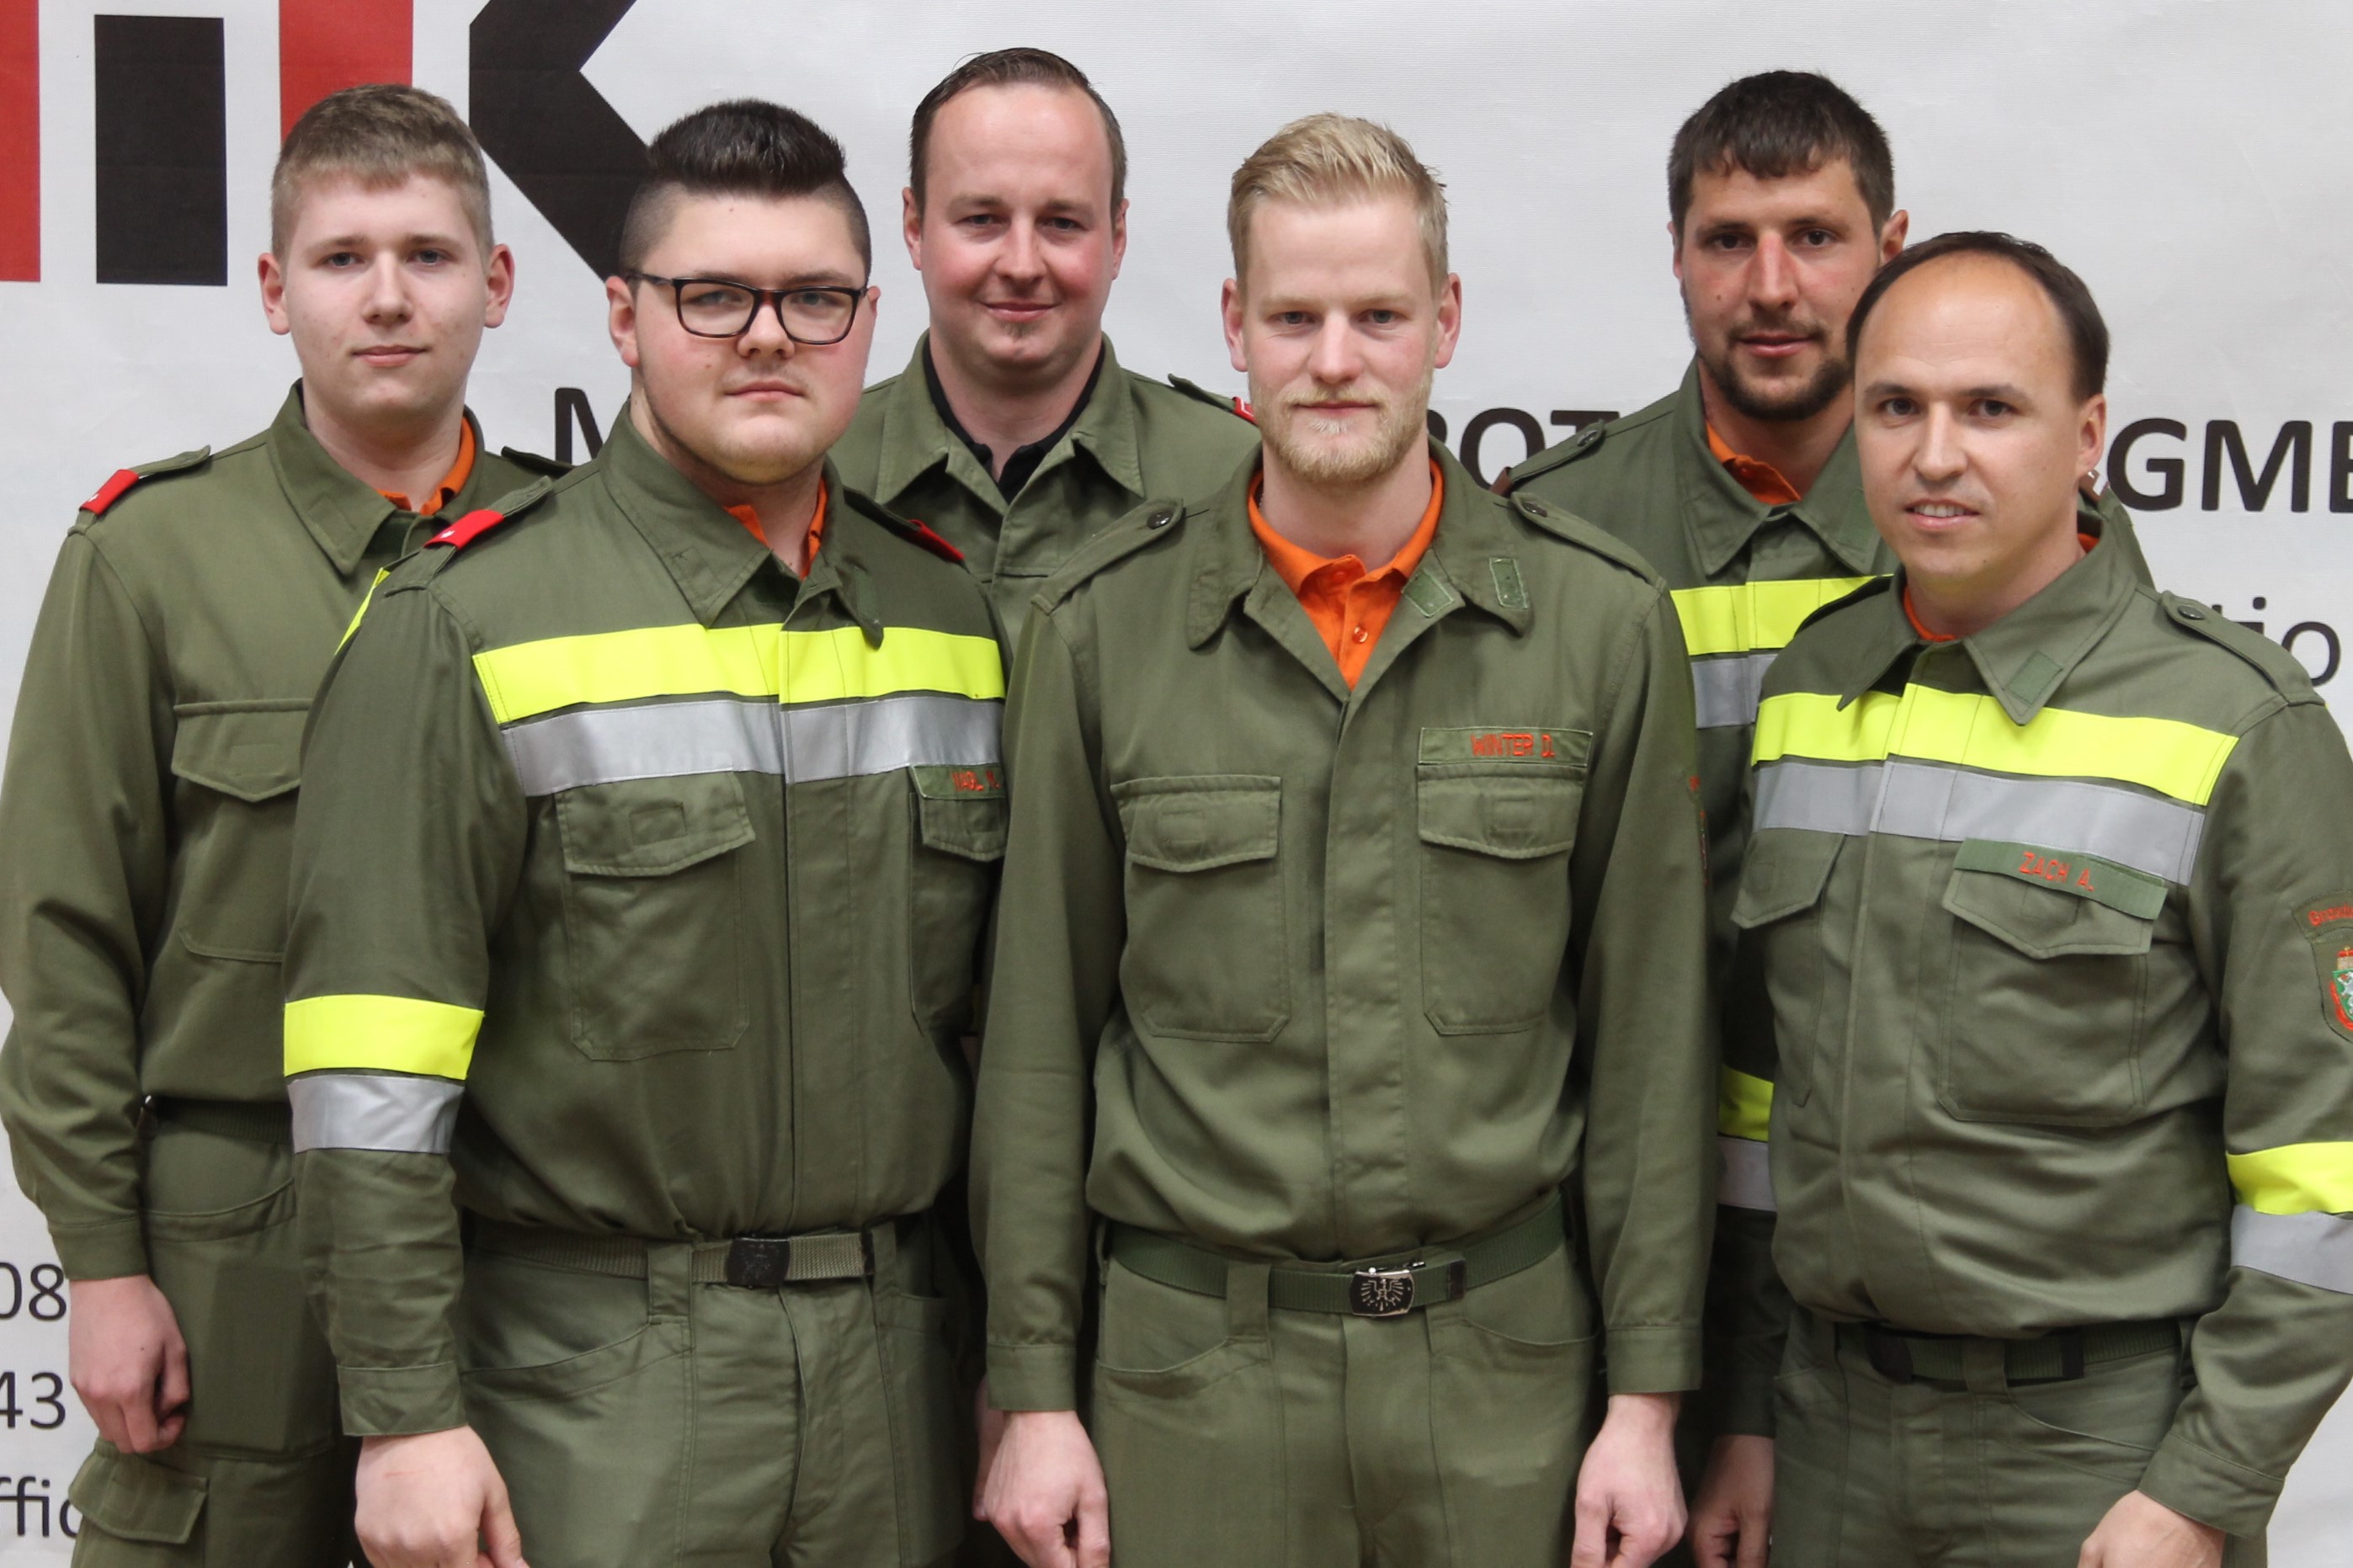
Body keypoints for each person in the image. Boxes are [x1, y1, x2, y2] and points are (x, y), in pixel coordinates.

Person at [971, 113, 1712, 1568]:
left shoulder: (1599, 625)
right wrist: (1035, 1391)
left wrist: (1646, 1401)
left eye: (1377, 316)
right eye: (1293, 317)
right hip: (1193, 1384)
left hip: (1502, 1379)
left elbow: (1650, 1048)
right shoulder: (1101, 627)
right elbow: (1039, 1042)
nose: (1333, 360)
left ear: (1445, 321)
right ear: (1233, 327)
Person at [280, 100, 1003, 1568]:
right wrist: (404, 1413)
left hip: (898, 1385)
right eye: (712, 295)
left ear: (870, 321)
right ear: (623, 317)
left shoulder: (949, 616)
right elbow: (370, 1072)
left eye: (814, 298)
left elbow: (1009, 1049)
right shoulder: (464, 621)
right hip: (592, 1388)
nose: (767, 337)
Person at [1727, 231, 2353, 1566]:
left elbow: (2327, 1164)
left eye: (1988, 408)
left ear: (2085, 436)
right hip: (1823, 1432)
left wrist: (2204, 1482)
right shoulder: (1808, 686)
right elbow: (1754, 1101)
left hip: (2097, 1455)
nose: (1932, 453)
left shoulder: (2233, 721)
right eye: (1894, 405)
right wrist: (1741, 1404)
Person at [0, 83, 536, 1565]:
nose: (387, 296)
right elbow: (63, 942)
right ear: (271, 288)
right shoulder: (151, 557)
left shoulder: (575, 553)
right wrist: (102, 1265)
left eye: (427, 254)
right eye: (342, 256)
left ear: (497, 283)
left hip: (520, 1224)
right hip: (238, 1229)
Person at [833, 46, 1256, 646]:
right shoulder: (813, 475)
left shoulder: (1242, 479)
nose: (1022, 265)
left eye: (1062, 223)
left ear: (1117, 237)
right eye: (982, 219)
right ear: (914, 227)